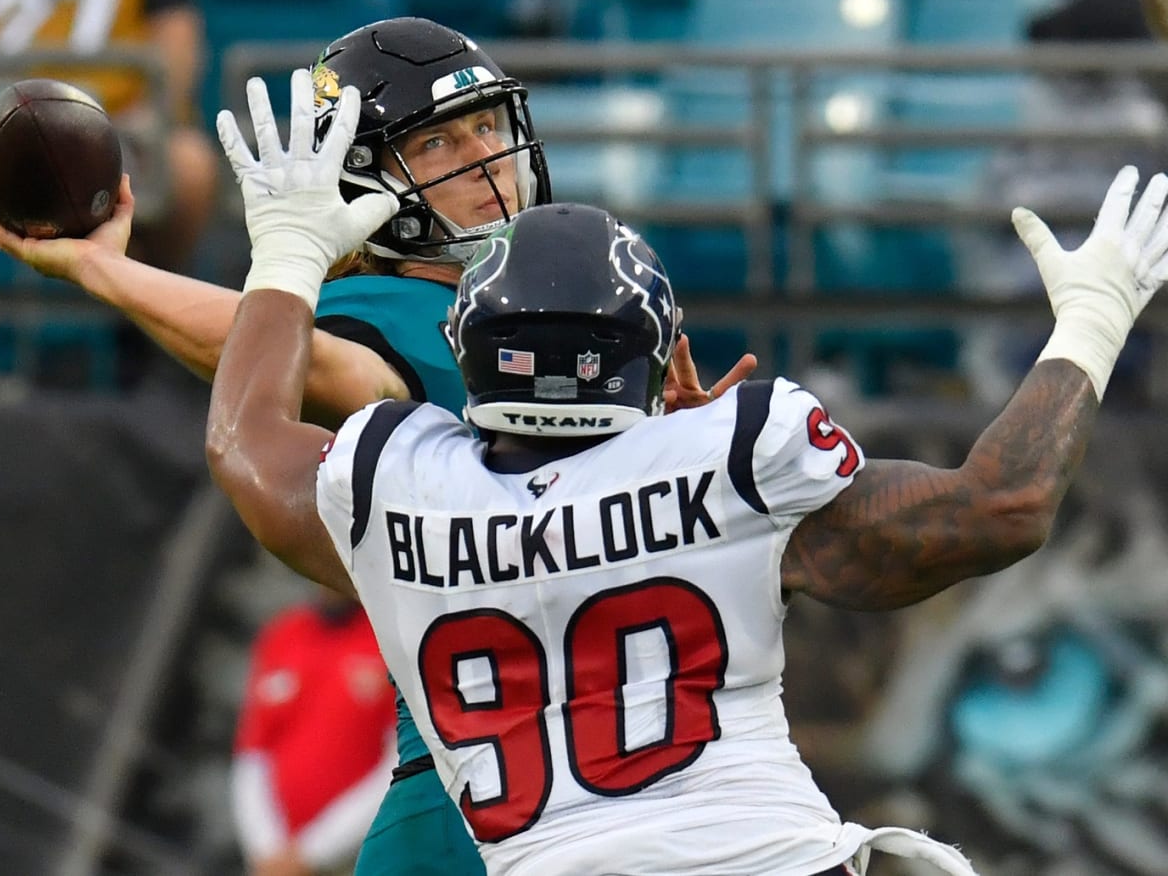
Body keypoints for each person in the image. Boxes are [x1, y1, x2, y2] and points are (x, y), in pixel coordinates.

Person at [204, 63, 1168, 875]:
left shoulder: (397, 479)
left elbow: (244, 440)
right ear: (661, 353)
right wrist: (1091, 321)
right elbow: (1000, 505)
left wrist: (288, 254)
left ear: (464, 349)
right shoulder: (732, 453)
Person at [0, 17, 754, 876]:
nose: (485, 158)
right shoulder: (384, 315)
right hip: (492, 792)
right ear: (357, 177)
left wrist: (681, 454)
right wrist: (108, 269)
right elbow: (278, 348)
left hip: (643, 778)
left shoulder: (561, 299)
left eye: (488, 125)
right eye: (436, 143)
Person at [0, 0, 219, 273]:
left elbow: (176, 38)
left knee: (189, 164)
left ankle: (143, 303)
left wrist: (145, 117)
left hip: (116, 125)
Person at [232, 587, 395, 876]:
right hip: (272, 861)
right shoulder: (284, 634)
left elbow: (398, 766)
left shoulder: (390, 639)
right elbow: (252, 753)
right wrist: (269, 851)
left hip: (355, 859)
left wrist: (313, 852)